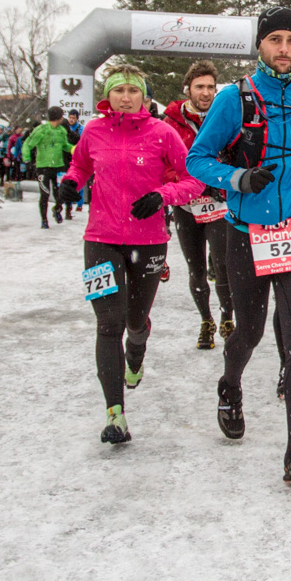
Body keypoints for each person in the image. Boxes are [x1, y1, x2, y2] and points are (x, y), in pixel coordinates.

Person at [186, 6, 291, 485]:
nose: (283, 49)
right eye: (274, 39)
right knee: (250, 332)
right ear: (259, 45)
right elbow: (198, 159)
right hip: (246, 233)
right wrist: (238, 177)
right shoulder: (234, 98)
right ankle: (230, 383)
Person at [56, 64, 202, 444]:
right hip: (100, 239)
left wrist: (162, 196)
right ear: (109, 95)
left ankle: (136, 351)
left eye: (132, 91)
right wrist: (70, 183)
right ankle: (115, 414)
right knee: (108, 324)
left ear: (144, 97)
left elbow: (194, 178)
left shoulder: (162, 133)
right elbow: (80, 165)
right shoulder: (93, 130)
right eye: (118, 90)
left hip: (148, 241)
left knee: (135, 321)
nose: (125, 97)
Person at [164, 60, 235, 350]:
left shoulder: (224, 115)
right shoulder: (171, 123)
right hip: (186, 207)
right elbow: (163, 166)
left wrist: (218, 182)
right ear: (188, 89)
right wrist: (184, 184)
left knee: (222, 266)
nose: (205, 93)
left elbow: (234, 157)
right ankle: (206, 321)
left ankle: (226, 316)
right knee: (195, 269)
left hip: (217, 206)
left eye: (210, 87)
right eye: (199, 87)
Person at [22, 106, 75, 229]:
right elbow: (27, 144)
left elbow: (65, 146)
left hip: (58, 166)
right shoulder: (41, 130)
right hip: (43, 166)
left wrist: (74, 149)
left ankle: (57, 209)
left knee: (60, 194)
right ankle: (44, 220)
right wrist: (27, 159)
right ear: (60, 117)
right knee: (45, 194)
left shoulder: (62, 130)